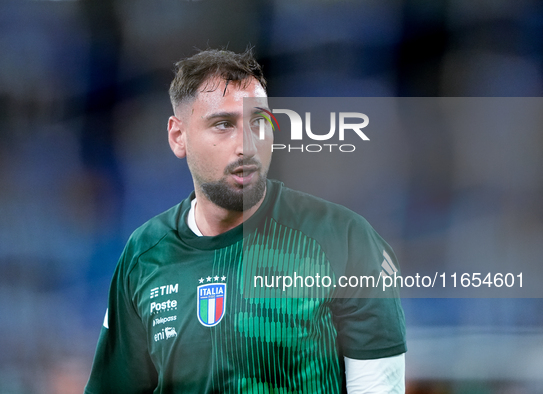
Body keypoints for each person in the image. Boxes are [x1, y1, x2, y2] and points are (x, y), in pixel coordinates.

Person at [85, 48, 406, 393]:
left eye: (259, 122)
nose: (247, 145)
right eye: (223, 125)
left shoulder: (344, 238)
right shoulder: (144, 254)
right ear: (178, 136)